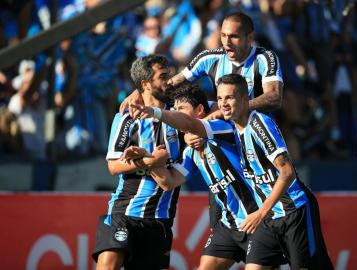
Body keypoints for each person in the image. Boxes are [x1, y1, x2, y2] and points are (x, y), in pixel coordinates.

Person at [133, 74, 333, 270]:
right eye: (220, 98)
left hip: (283, 211)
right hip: (245, 222)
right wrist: (147, 160)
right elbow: (169, 182)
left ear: (244, 99)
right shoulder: (206, 142)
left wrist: (154, 112)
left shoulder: (235, 128)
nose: (223, 103)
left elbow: (287, 172)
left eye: (229, 97)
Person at [92, 54, 185, 270]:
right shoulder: (127, 118)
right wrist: (149, 161)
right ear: (145, 83)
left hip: (160, 217)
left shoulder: (180, 114)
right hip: (125, 209)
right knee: (108, 265)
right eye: (162, 77)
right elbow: (114, 166)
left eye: (169, 75)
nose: (169, 81)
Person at [121, 11, 284, 116]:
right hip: (225, 129)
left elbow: (274, 97)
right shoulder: (209, 58)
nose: (227, 42)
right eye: (223, 36)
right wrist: (140, 91)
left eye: (234, 36)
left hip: (258, 129)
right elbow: (171, 83)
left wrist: (232, 109)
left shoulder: (265, 57)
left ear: (249, 37)